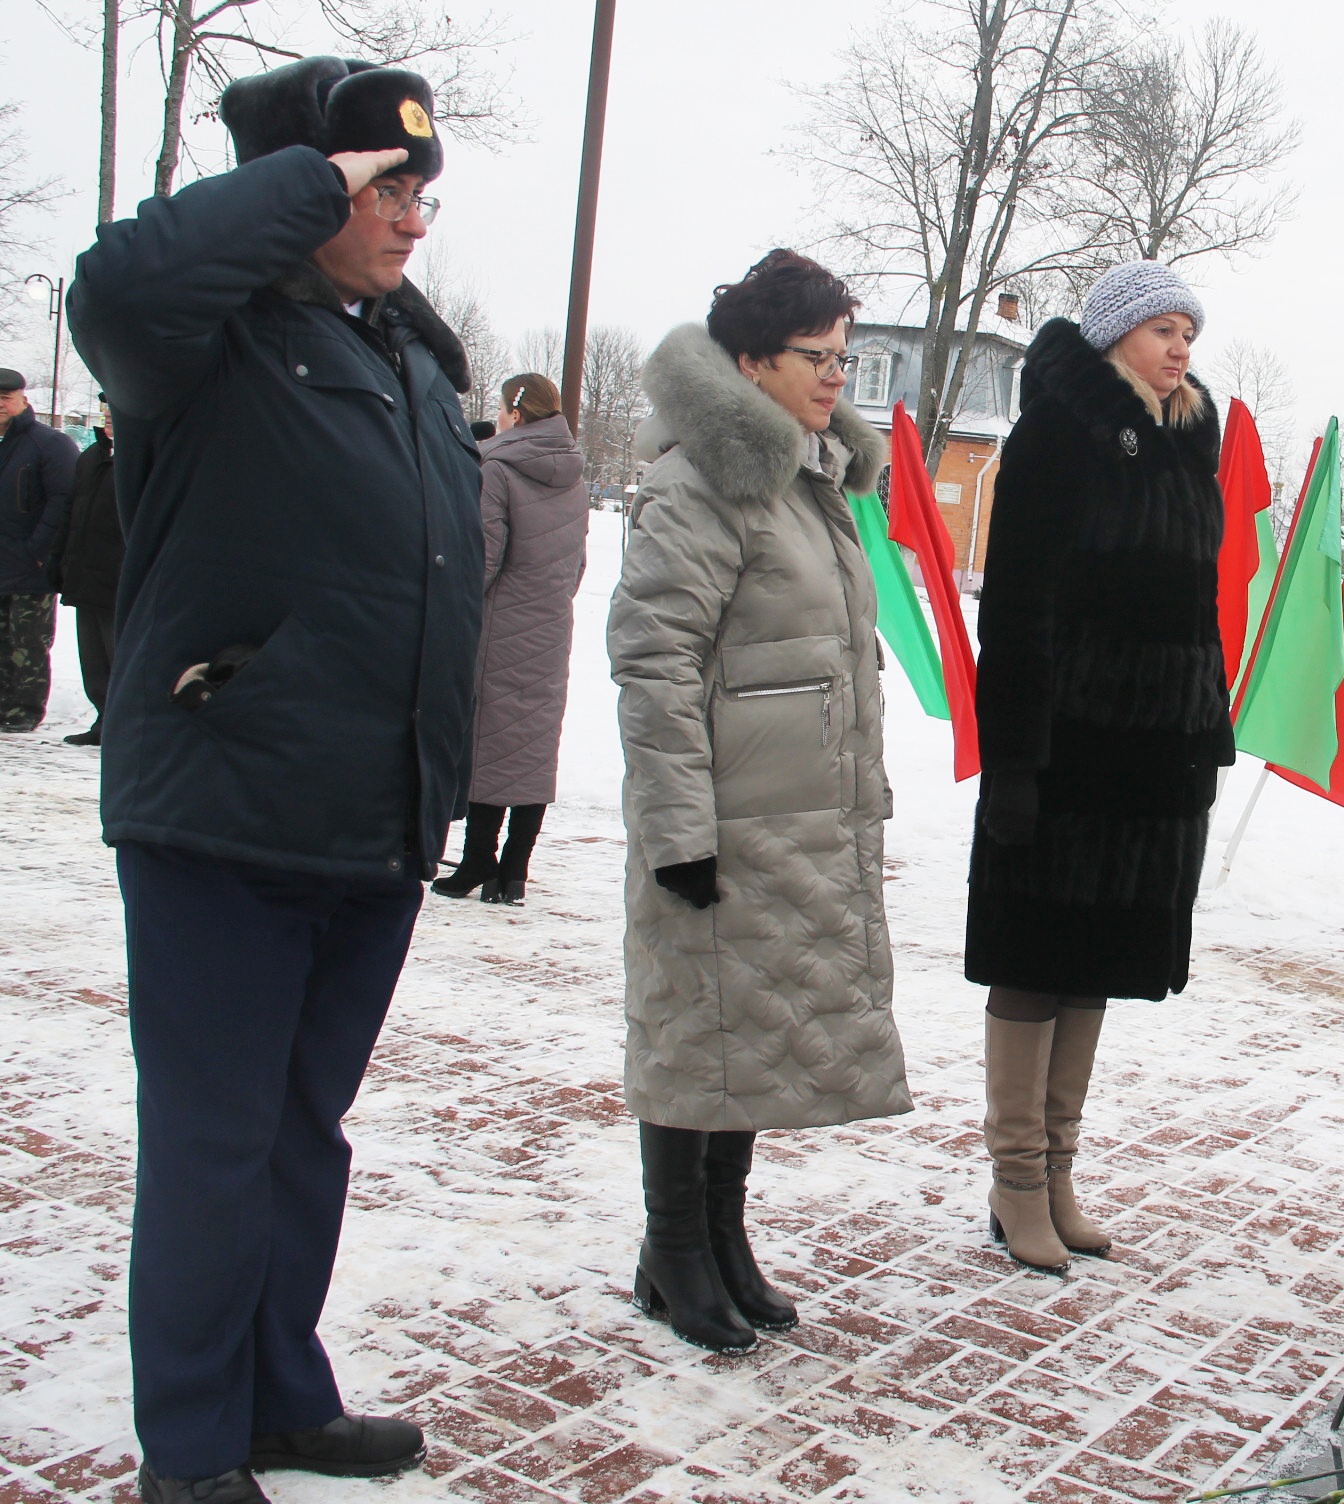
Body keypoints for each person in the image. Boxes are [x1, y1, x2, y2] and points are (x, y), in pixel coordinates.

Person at [68, 55, 484, 1504]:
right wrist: (315, 168)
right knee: (213, 1142)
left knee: (303, 1136)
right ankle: (189, 1447)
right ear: (300, 185)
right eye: (385, 186)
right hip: (224, 814)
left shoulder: (411, 363)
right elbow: (116, 287)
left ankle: (278, 1397)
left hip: (366, 822)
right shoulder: (200, 344)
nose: (412, 216)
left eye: (423, 190)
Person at [607, 250, 912, 1352]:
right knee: (698, 1032)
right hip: (722, 823)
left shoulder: (808, 478)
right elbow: (654, 661)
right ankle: (670, 1248)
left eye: (847, 355)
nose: (838, 375)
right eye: (816, 356)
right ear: (749, 361)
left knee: (749, 1041)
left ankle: (719, 1237)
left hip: (795, 818)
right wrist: (678, 831)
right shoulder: (699, 482)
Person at [965, 261, 1234, 1273]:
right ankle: (1015, 1179)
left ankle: (1059, 1169)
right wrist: (1015, 763)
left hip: (1150, 751)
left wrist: (1204, 727)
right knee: (1034, 960)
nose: (1178, 350)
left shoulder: (1182, 444)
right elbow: (1018, 610)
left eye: (1187, 335)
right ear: (1114, 335)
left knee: (1096, 966)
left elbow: (1195, 609)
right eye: (1161, 330)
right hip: (1067, 745)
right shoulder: (1058, 435)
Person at [433, 372, 588, 904]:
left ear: (516, 416)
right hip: (551, 624)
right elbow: (577, 564)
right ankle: (514, 870)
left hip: (500, 627)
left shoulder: (495, 468)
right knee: (534, 745)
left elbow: (483, 561)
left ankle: (478, 857)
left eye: (501, 410)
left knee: (492, 742)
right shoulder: (575, 474)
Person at [0, 365, 78, 732]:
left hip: (30, 564)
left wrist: (38, 549)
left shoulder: (49, 444)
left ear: (22, 399)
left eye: (5, 398)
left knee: (27, 642)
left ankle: (24, 711)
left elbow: (63, 500)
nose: (0, 405)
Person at [58, 396, 124, 746]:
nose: (108, 416)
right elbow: (72, 515)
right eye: (105, 411)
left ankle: (124, 726)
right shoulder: (91, 458)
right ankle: (103, 721)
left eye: (116, 410)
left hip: (120, 579)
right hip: (86, 577)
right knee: (94, 661)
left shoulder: (142, 457)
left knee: (120, 658)